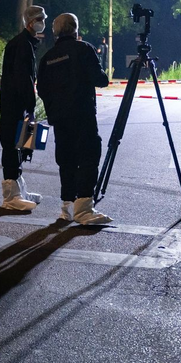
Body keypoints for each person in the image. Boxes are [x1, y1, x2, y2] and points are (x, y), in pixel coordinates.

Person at [36, 13, 112, 225]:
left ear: (55, 32)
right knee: (88, 156)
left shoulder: (48, 57)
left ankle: (66, 207)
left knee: (66, 159)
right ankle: (84, 208)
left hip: (59, 118)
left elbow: (41, 88)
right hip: (83, 114)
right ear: (75, 30)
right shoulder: (84, 49)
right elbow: (101, 80)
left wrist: (53, 107)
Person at [0, 5, 47, 211]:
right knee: (12, 145)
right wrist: (30, 105)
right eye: (40, 19)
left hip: (15, 104)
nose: (43, 23)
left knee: (19, 146)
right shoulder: (22, 45)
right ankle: (11, 197)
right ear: (30, 22)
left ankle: (19, 191)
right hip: (14, 105)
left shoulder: (25, 43)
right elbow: (23, 79)